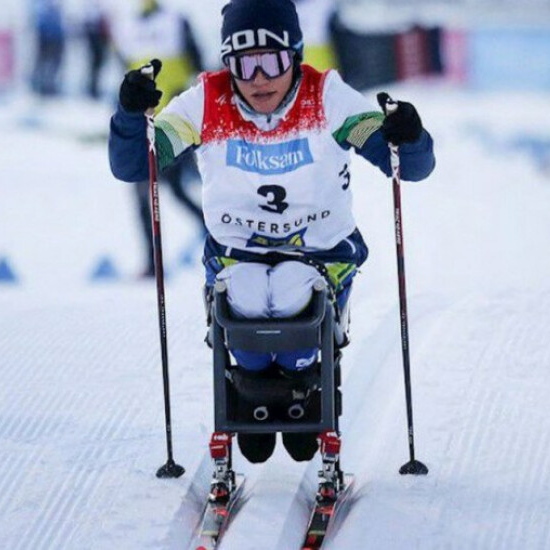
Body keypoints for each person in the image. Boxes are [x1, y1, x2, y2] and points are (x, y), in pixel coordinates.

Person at [108, 0, 434, 477]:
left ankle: (301, 380)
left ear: (296, 56)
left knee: (290, 291)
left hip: (321, 255)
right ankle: (253, 387)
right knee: (244, 295)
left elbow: (408, 166)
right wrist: (130, 118)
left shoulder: (328, 97)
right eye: (243, 64)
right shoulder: (206, 100)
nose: (258, 78)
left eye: (272, 61)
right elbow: (137, 165)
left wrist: (410, 136)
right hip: (236, 256)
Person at [112, 0, 206, 277]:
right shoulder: (126, 24)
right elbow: (124, 72)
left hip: (175, 123)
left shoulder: (176, 20)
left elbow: (197, 64)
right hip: (143, 122)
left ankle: (213, 233)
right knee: (143, 192)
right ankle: (152, 263)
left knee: (172, 189)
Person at [31, 0, 66, 97]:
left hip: (57, 35)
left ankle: (50, 85)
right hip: (45, 35)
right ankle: (40, 86)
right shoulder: (40, 4)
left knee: (55, 63)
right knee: (43, 62)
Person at [81, 1, 111, 100]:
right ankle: (92, 87)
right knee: (95, 63)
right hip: (95, 34)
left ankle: (94, 87)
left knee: (99, 63)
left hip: (102, 35)